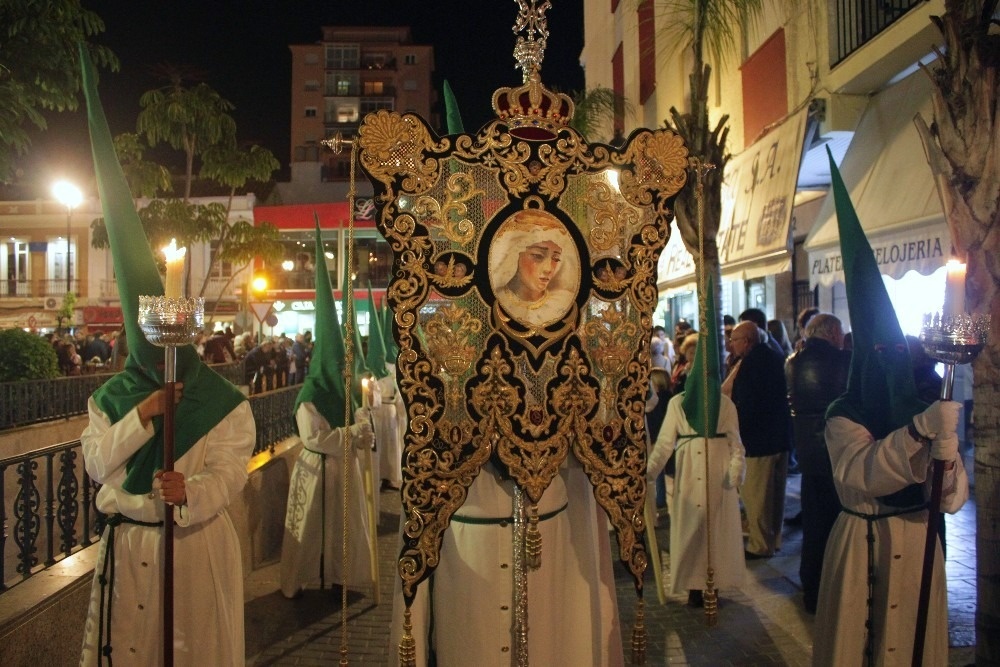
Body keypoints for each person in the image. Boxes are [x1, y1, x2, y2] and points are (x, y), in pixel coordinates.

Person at [78, 50, 255, 665]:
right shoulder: (109, 399)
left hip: (195, 551)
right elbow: (98, 464)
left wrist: (192, 490)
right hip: (126, 552)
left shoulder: (224, 402)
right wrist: (144, 414)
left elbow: (233, 473)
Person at [813, 152, 967, 666]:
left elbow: (952, 499)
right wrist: (921, 432)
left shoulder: (924, 405)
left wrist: (946, 453)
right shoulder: (843, 413)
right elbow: (861, 475)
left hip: (920, 546)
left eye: (896, 357)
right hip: (863, 546)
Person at [647, 279, 746, 608]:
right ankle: (691, 585)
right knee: (690, 529)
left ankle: (715, 584)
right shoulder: (678, 405)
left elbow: (736, 444)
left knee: (717, 532)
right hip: (689, 472)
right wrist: (648, 473)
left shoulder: (726, 405)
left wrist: (735, 472)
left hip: (718, 474)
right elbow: (663, 444)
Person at [785, 313, 850, 613]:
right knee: (837, 524)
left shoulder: (794, 361)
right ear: (834, 334)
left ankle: (811, 588)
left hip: (808, 452)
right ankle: (834, 589)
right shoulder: (842, 361)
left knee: (814, 523)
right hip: (837, 451)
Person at [728, 320, 793, 559]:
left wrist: (738, 433)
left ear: (746, 341)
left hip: (758, 441)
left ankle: (759, 545)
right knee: (776, 497)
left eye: (733, 340)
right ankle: (773, 541)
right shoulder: (775, 356)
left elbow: (747, 404)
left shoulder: (750, 365)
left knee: (757, 499)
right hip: (780, 438)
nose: (730, 345)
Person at [489, 208, 579, 327]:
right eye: (538, 256)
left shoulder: (563, 302)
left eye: (556, 259)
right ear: (514, 256)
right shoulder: (496, 301)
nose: (548, 269)